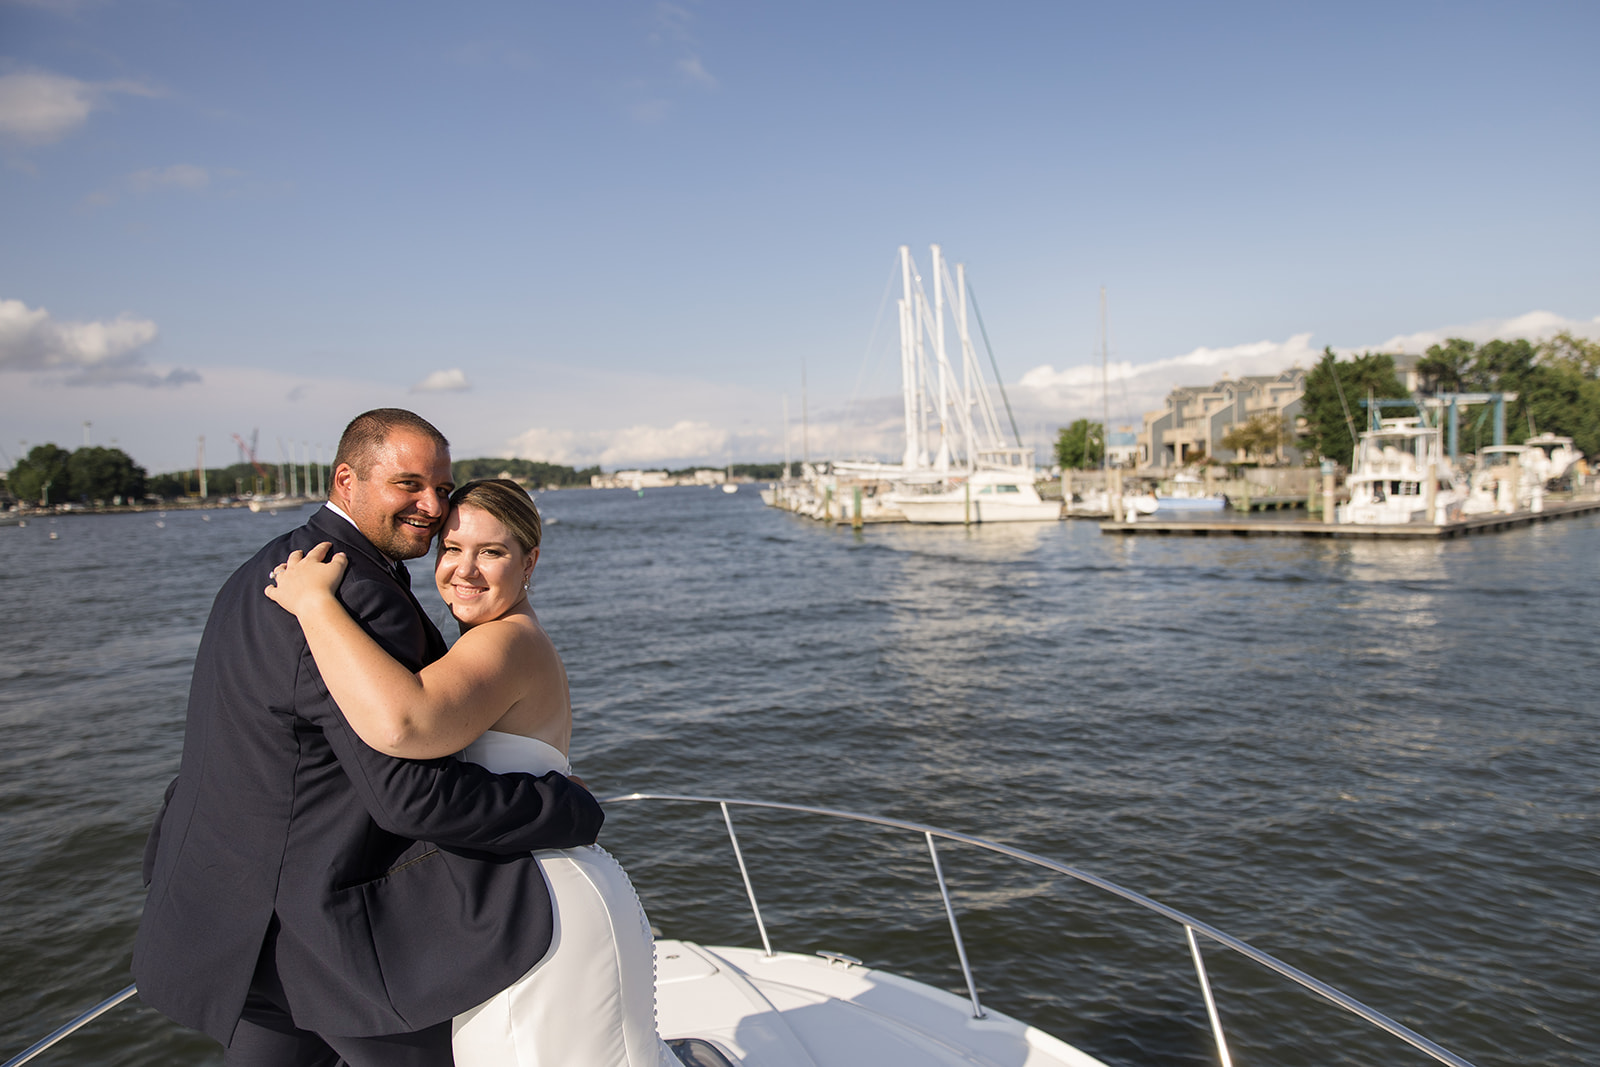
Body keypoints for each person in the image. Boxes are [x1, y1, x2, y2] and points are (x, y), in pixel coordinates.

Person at [132, 410, 605, 1067]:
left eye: (441, 486)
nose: (432, 505)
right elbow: (411, 798)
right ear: (347, 478)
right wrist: (568, 808)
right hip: (325, 941)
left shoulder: (262, 569)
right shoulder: (358, 594)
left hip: (227, 920)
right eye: (408, 484)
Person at [266, 478, 677, 1067]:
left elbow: (405, 722)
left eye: (491, 552)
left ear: (530, 560)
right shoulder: (496, 640)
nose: (465, 570)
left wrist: (315, 604)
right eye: (451, 549)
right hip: (533, 891)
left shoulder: (505, 643)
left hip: (538, 908)